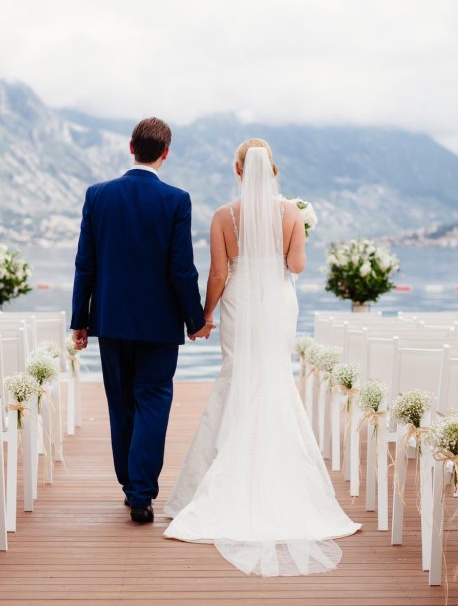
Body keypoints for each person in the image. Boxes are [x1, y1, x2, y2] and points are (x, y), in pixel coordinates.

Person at [163, 139, 360, 576]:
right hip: (276, 304)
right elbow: (297, 266)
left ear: (238, 170)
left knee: (236, 376)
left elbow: (217, 272)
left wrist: (206, 314)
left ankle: (217, 481)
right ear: (274, 170)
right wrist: (298, 231)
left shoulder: (222, 217)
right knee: (275, 377)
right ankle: (281, 479)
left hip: (238, 303)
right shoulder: (290, 213)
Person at [70, 117, 212, 524]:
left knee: (121, 402)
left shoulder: (97, 196)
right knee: (152, 400)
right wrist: (195, 318)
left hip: (111, 321)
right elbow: (181, 270)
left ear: (130, 147)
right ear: (165, 153)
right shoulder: (176, 200)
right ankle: (141, 493)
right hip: (159, 324)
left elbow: (86, 265)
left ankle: (129, 484)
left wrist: (80, 319)